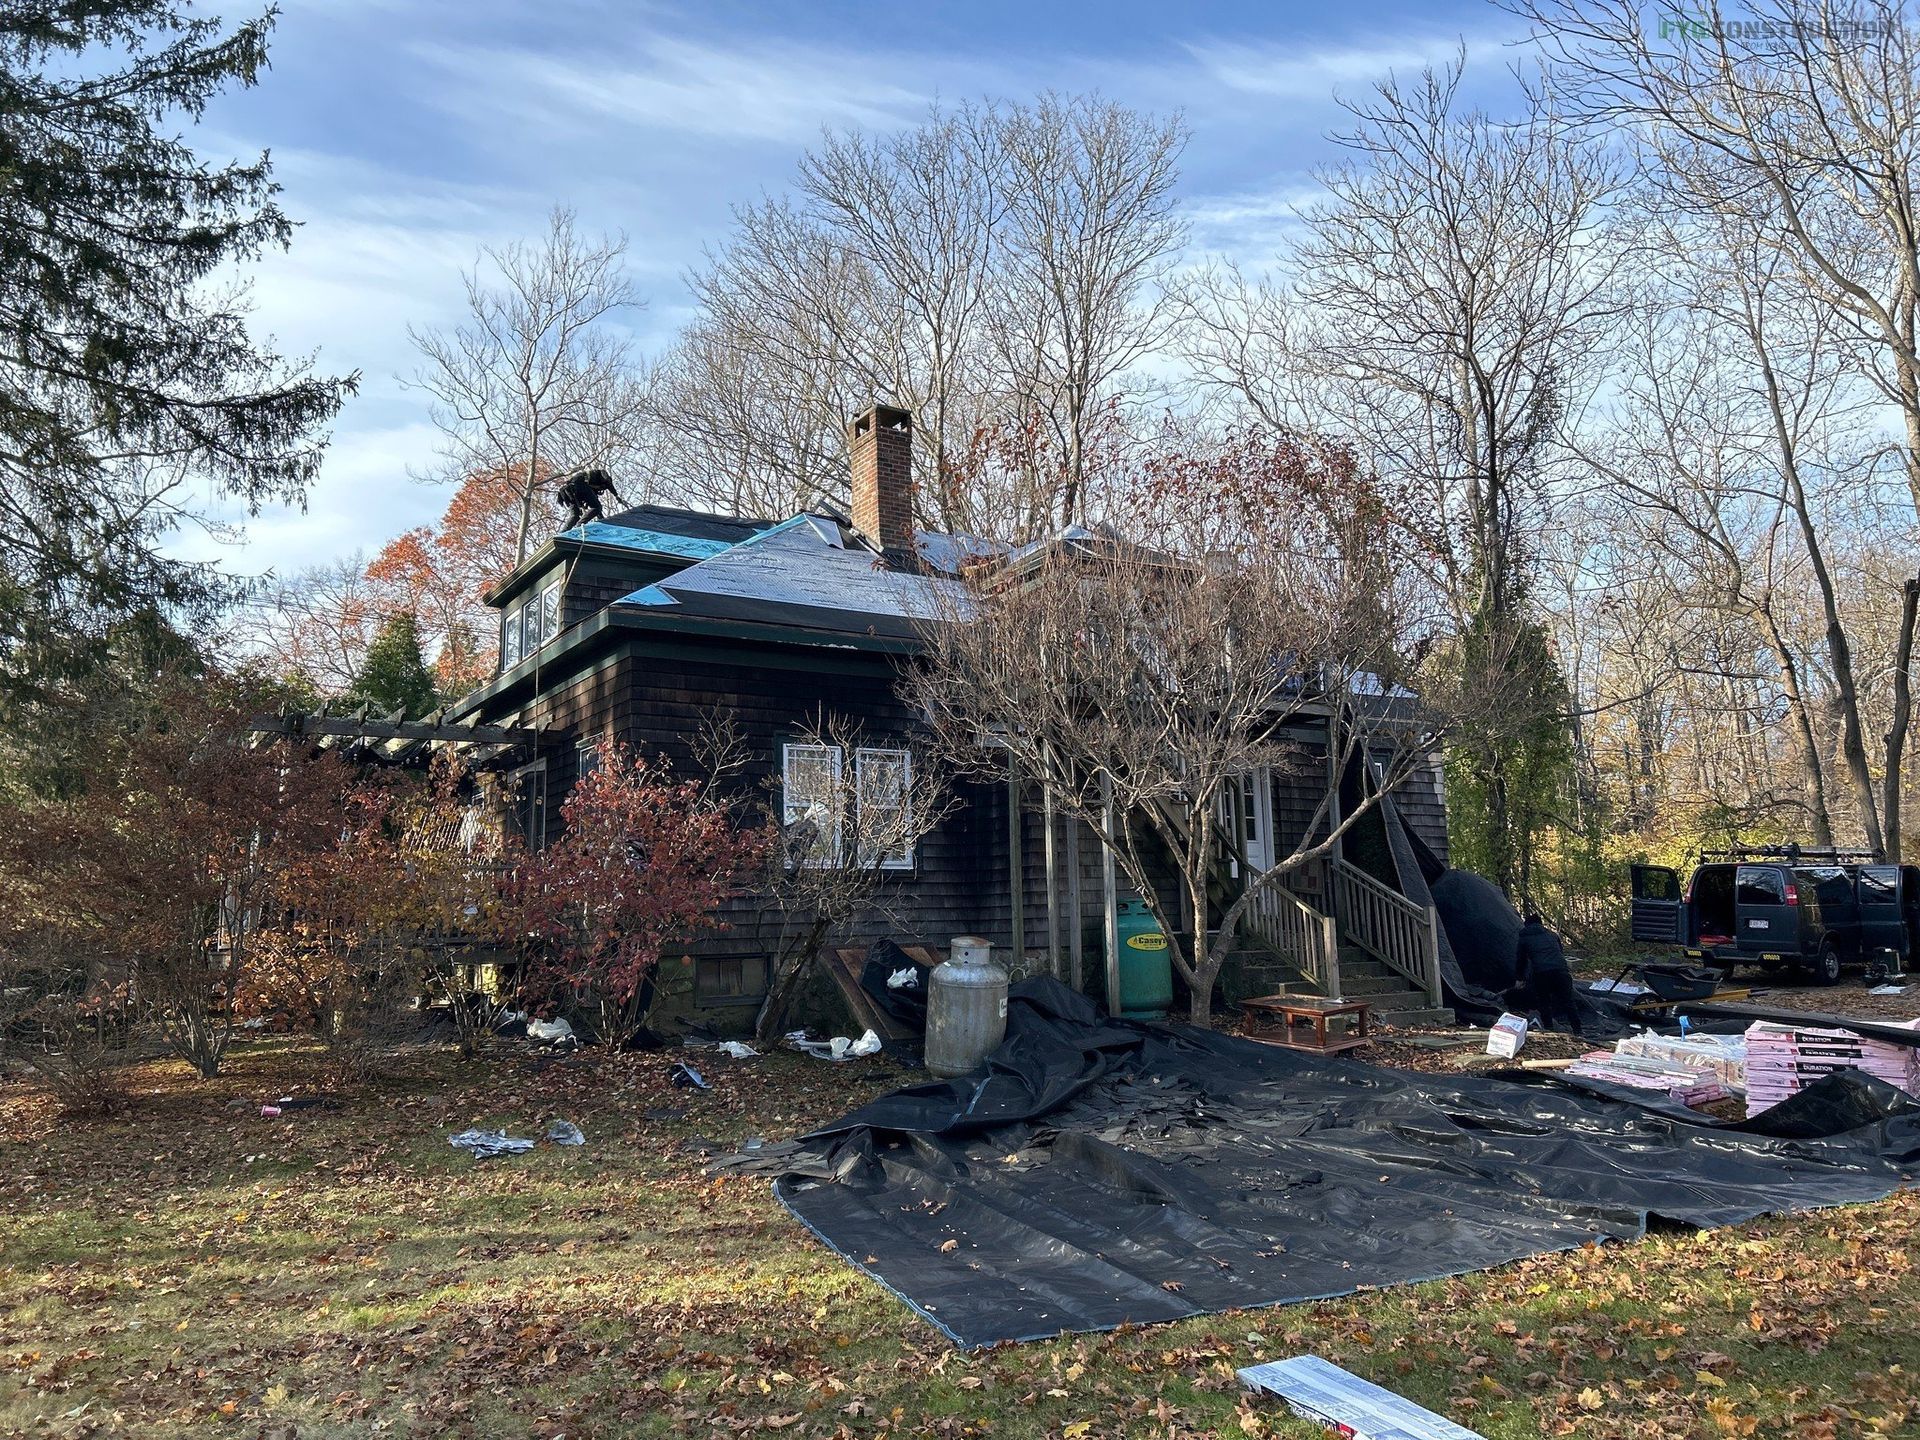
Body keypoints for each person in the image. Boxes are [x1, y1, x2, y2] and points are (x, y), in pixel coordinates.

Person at [1512, 911, 1582, 1036]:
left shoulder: (1524, 938)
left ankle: (1549, 1029)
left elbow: (1521, 960)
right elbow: (1559, 953)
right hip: (1561, 971)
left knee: (1544, 1001)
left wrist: (1520, 978)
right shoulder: (1552, 935)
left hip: (1541, 973)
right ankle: (1578, 1030)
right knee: (1568, 1001)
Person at [555, 467, 622, 527]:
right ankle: (579, 526)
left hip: (568, 490)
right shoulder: (599, 475)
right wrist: (616, 495)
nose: (599, 489)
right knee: (597, 507)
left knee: (575, 516)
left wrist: (602, 520)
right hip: (576, 486)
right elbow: (597, 507)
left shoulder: (590, 487)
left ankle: (562, 533)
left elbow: (596, 509)